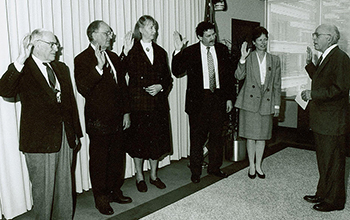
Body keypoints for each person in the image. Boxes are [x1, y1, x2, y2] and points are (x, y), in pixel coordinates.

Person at [0, 29, 83, 220]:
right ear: (35, 45)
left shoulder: (61, 68)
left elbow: (70, 103)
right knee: (43, 192)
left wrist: (75, 134)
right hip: (39, 140)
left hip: (65, 136)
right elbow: (4, 89)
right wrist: (20, 60)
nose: (56, 48)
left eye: (56, 44)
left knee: (64, 189)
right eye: (51, 44)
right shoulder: (24, 68)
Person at [74, 20, 132, 215]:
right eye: (107, 33)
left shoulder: (113, 57)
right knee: (99, 162)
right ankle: (101, 199)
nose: (111, 36)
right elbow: (83, 88)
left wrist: (126, 112)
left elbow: (122, 87)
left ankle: (115, 191)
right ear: (93, 35)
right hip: (99, 122)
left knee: (116, 159)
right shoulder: (82, 59)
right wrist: (98, 68)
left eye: (110, 33)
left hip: (118, 120)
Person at [172, 21, 234, 184]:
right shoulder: (191, 51)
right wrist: (178, 50)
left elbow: (227, 76)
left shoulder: (221, 49)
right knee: (197, 139)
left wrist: (229, 98)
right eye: (208, 36)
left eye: (213, 34)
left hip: (218, 98)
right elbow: (177, 71)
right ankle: (195, 171)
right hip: (198, 101)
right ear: (200, 37)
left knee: (216, 137)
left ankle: (214, 167)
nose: (212, 38)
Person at [301, 24, 350, 212]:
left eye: (317, 35)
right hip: (323, 120)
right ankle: (323, 193)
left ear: (329, 38)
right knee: (324, 160)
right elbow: (322, 80)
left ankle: (335, 201)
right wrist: (309, 65)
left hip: (333, 121)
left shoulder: (341, 58)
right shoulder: (327, 57)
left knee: (334, 162)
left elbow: (339, 89)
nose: (314, 38)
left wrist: (313, 95)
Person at [124, 15, 173, 192]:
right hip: (138, 105)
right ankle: (139, 176)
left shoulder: (161, 52)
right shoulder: (132, 50)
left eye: (155, 27)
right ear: (141, 29)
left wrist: (160, 86)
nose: (154, 31)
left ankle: (153, 175)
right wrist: (125, 52)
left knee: (156, 144)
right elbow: (122, 73)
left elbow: (168, 78)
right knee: (139, 143)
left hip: (157, 105)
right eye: (151, 27)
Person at [234, 26, 281, 179]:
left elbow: (276, 85)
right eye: (260, 40)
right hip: (249, 102)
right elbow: (238, 76)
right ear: (253, 42)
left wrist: (277, 105)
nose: (263, 43)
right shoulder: (248, 57)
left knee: (262, 136)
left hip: (266, 102)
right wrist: (242, 59)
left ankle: (259, 165)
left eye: (265, 39)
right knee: (251, 136)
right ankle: (251, 166)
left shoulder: (275, 59)